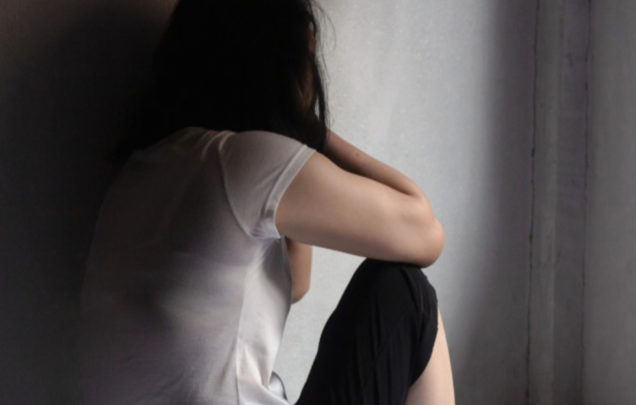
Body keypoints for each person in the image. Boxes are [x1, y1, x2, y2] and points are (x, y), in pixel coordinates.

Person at [77, 0, 455, 404]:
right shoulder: (240, 162)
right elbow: (425, 236)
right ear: (277, 68)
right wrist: (309, 127)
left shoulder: (146, 169)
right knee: (406, 293)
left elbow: (296, 282)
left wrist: (291, 137)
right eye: (307, 62)